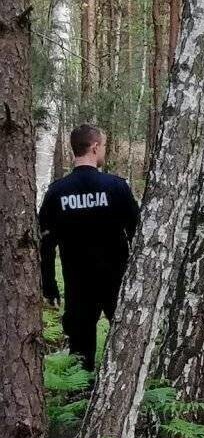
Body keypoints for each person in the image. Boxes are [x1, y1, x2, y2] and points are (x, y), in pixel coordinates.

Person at [39, 124, 141, 371]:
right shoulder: (117, 187)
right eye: (103, 146)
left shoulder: (56, 192)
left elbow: (46, 243)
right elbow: (138, 233)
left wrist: (49, 285)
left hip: (77, 284)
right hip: (116, 281)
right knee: (124, 344)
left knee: (80, 350)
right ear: (95, 148)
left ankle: (81, 397)